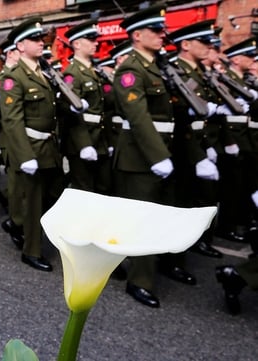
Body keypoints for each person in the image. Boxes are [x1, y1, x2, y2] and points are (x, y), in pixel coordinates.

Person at [113, 4, 198, 308]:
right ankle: (140, 280)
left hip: (165, 151)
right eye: (156, 30)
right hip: (141, 157)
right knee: (143, 220)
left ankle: (164, 262)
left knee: (165, 214)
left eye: (162, 30)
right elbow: (139, 117)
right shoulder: (130, 69)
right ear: (137, 35)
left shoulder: (159, 66)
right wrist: (157, 155)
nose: (162, 35)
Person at [0, 18, 65, 271]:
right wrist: (25, 155)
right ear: (20, 45)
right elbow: (12, 120)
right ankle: (31, 250)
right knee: (34, 200)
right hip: (30, 148)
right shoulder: (14, 78)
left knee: (52, 196)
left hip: (49, 147)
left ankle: (16, 222)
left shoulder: (44, 73)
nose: (41, 43)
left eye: (41, 39)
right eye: (35, 39)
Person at [167, 20, 223, 259]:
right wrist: (198, 154)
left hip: (201, 143)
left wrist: (208, 146)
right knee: (180, 204)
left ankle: (194, 243)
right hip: (183, 147)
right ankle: (173, 256)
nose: (209, 47)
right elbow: (180, 120)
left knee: (199, 199)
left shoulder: (198, 71)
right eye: (203, 42)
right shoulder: (175, 70)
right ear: (186, 44)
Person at [216, 37, 258, 243]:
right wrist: (229, 141)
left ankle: (239, 220)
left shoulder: (243, 81)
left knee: (243, 184)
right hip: (232, 138)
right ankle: (226, 226)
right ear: (235, 59)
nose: (252, 59)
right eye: (248, 56)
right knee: (231, 187)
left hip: (247, 138)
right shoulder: (227, 80)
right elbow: (223, 117)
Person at [62, 20, 111, 194]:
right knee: (85, 191)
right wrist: (84, 144)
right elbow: (71, 113)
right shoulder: (72, 73)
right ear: (76, 44)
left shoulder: (95, 70)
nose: (96, 43)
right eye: (90, 39)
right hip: (83, 141)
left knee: (103, 189)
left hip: (101, 139)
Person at [0, 38, 26, 250]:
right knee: (16, 181)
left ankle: (17, 214)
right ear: (10, 53)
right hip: (8, 135)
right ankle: (17, 220)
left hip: (27, 136)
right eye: (16, 51)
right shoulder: (4, 78)